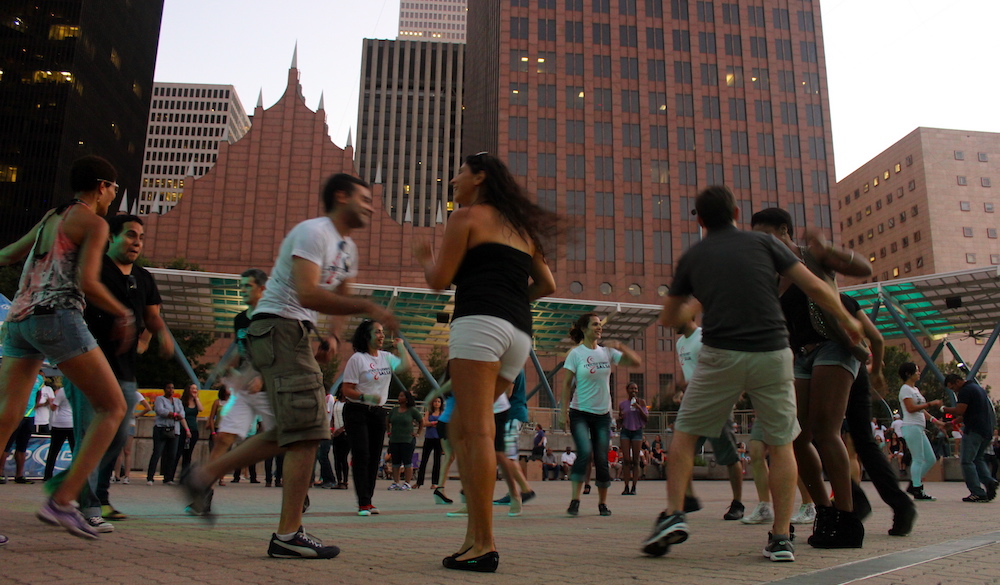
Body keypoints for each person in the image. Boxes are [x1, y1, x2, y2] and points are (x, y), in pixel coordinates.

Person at [180, 173, 396, 560]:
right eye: (363, 198)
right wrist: (368, 308)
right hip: (278, 327)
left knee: (297, 431)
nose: (369, 205)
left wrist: (331, 336)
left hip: (294, 332)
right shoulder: (314, 233)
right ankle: (287, 533)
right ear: (341, 196)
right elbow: (309, 291)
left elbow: (340, 293)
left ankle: (205, 477)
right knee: (309, 429)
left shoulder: (347, 248)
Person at [642, 185, 862, 562]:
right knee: (781, 442)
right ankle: (780, 537)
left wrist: (697, 301)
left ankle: (674, 513)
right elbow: (815, 285)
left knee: (685, 434)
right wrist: (846, 319)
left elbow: (670, 318)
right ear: (737, 213)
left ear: (698, 218)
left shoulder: (694, 256)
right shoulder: (766, 245)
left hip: (721, 354)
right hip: (773, 353)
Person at [414, 151, 557, 572]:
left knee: (475, 431)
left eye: (459, 172)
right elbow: (547, 283)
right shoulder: (522, 228)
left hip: (479, 325)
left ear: (479, 177)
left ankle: (485, 545)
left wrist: (425, 258)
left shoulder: (467, 217)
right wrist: (512, 304)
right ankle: (472, 537)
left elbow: (440, 281)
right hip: (517, 334)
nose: (454, 180)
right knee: (461, 426)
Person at [0, 155, 132, 540]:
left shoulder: (51, 218)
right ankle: (63, 501)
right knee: (113, 407)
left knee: (6, 417)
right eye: (113, 188)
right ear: (102, 186)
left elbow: (8, 254)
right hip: (57, 316)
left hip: (20, 321)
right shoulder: (94, 222)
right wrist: (122, 312)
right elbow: (89, 282)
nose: (114, 195)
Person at [751, 207, 873, 548]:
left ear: (784, 230)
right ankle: (825, 510)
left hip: (835, 345)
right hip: (800, 355)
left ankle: (848, 519)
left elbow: (865, 269)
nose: (762, 243)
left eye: (767, 235)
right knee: (796, 436)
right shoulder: (772, 274)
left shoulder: (810, 256)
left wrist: (827, 249)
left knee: (826, 430)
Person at [63, 212, 174, 524]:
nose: (136, 242)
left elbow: (152, 316)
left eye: (140, 237)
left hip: (124, 369)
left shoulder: (144, 277)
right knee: (89, 436)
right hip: (87, 362)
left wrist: (159, 335)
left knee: (115, 436)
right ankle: (89, 507)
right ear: (111, 237)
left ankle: (78, 493)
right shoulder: (94, 267)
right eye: (129, 235)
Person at [560, 313, 641, 517]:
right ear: (584, 329)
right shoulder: (575, 354)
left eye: (599, 325)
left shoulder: (607, 352)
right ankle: (575, 500)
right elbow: (566, 384)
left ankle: (602, 503)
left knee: (602, 458)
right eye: (594, 325)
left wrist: (621, 347)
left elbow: (636, 363)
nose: (599, 328)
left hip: (603, 414)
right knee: (585, 452)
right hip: (580, 412)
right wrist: (564, 412)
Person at [208, 268, 274, 493]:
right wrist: (225, 368)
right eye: (242, 285)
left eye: (248, 286)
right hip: (245, 389)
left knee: (288, 443)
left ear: (262, 289)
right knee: (223, 437)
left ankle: (298, 494)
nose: (243, 290)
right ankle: (203, 491)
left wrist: (263, 378)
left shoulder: (273, 318)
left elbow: (283, 353)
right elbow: (241, 349)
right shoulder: (239, 319)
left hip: (271, 389)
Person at [674, 315, 746, 521]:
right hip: (693, 405)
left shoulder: (705, 337)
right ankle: (688, 499)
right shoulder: (680, 343)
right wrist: (680, 390)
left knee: (730, 456)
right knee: (682, 452)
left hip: (716, 403)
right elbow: (689, 372)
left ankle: (738, 503)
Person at [341, 320, 411, 513]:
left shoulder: (386, 357)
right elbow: (346, 389)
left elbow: (405, 366)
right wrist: (364, 396)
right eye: (377, 332)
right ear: (366, 336)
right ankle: (363, 501)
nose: (381, 336)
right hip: (357, 410)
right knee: (362, 454)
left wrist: (402, 348)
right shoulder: (358, 359)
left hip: (378, 413)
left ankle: (368, 500)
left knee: (373, 457)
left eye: (382, 332)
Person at [942, 374, 998, 502]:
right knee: (977, 459)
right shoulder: (977, 388)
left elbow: (960, 410)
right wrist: (952, 423)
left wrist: (943, 409)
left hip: (973, 431)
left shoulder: (965, 391)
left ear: (957, 381)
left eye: (953, 387)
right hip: (986, 431)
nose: (954, 390)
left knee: (966, 461)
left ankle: (977, 492)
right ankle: (989, 482)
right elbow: (969, 413)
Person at [897, 362, 946, 501]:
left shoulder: (915, 389)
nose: (919, 373)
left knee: (930, 458)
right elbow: (911, 408)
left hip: (919, 427)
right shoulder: (905, 389)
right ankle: (918, 489)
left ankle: (914, 484)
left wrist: (935, 422)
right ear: (908, 374)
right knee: (918, 458)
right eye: (917, 371)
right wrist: (931, 403)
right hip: (911, 426)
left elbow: (921, 410)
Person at [1, 373, 43, 484]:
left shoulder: (39, 378)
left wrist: (35, 405)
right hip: (14, 415)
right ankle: (0, 473)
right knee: (6, 445)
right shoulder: (18, 372)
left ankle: (19, 475)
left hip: (29, 416)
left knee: (22, 446)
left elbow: (39, 393)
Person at [147, 383, 187, 485]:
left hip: (174, 430)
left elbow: (182, 414)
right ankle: (150, 477)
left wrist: (177, 416)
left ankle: (168, 478)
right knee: (157, 452)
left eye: (173, 388)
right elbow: (161, 411)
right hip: (161, 428)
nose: (171, 390)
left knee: (172, 454)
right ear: (165, 389)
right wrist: (173, 414)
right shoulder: (160, 399)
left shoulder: (177, 401)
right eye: (169, 388)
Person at [387, 389, 423, 490]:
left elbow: (421, 421)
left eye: (402, 396)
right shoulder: (394, 410)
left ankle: (407, 483)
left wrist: (418, 433)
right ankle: (396, 482)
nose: (399, 398)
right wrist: (388, 431)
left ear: (407, 399)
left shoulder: (412, 410)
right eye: (399, 396)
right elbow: (388, 420)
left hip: (407, 439)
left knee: (407, 461)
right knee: (395, 462)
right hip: (395, 439)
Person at [618, 382, 648, 495]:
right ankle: (626, 486)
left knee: (636, 460)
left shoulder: (642, 402)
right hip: (625, 431)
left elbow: (646, 419)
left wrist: (639, 407)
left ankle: (634, 487)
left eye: (635, 388)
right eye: (631, 388)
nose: (634, 390)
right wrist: (620, 419)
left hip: (637, 432)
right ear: (627, 390)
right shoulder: (622, 404)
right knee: (626, 460)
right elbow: (620, 422)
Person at [43, 385, 75, 481]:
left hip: (60, 423)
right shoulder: (78, 390)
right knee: (74, 449)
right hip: (72, 423)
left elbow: (54, 407)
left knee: (53, 451)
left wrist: (50, 401)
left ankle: (48, 475)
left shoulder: (63, 390)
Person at [415, 395, 444, 489]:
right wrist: (434, 423)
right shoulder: (429, 412)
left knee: (437, 461)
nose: (436, 403)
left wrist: (433, 424)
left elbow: (444, 424)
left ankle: (435, 482)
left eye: (438, 402)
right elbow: (425, 423)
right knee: (424, 460)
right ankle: (419, 482)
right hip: (429, 438)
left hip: (438, 438)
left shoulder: (442, 413)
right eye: (435, 401)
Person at [178, 384, 204, 474]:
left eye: (196, 389)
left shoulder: (196, 402)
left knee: (188, 454)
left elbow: (201, 409)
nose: (194, 390)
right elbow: (181, 416)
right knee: (179, 452)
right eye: (192, 388)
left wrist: (196, 399)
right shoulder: (182, 402)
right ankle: (170, 475)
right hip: (183, 429)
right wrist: (186, 429)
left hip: (194, 430)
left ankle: (184, 474)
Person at [330, 389, 350, 490]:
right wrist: (333, 429)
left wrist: (341, 429)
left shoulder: (349, 404)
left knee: (343, 458)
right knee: (337, 458)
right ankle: (339, 480)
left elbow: (350, 419)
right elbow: (332, 417)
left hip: (345, 433)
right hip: (336, 433)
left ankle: (345, 481)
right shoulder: (336, 403)